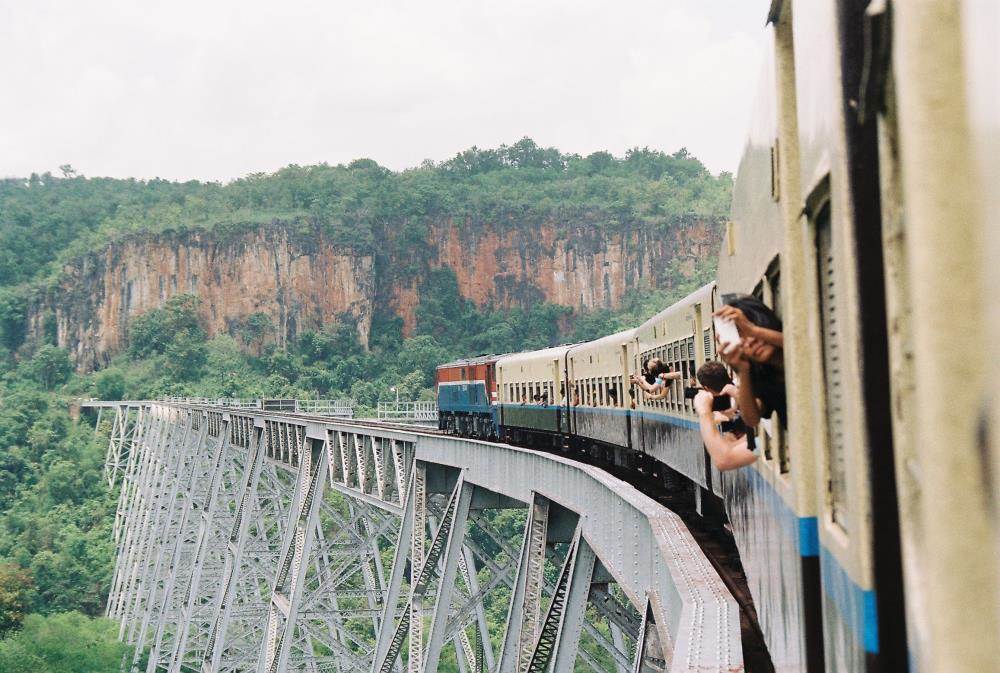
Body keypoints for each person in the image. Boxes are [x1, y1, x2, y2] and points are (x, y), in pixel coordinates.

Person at [714, 295, 786, 428]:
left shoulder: (793, 338)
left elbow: (803, 346)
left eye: (749, 328)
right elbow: (751, 419)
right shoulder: (764, 378)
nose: (751, 341)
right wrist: (742, 370)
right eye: (740, 337)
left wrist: (754, 331)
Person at [692, 361, 757, 471]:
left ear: (706, 387)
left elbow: (724, 460)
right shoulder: (763, 427)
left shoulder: (766, 435)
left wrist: (704, 413)